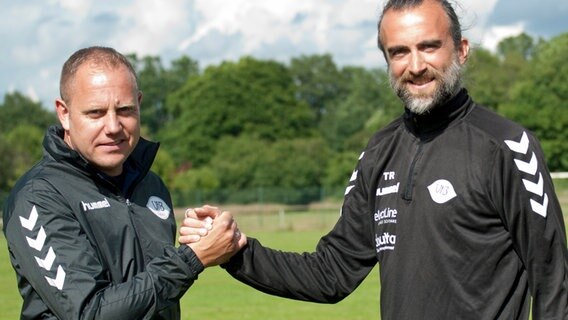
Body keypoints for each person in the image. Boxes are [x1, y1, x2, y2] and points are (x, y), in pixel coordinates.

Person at [180, 0, 568, 319]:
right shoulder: (379, 151)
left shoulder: (506, 146)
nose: (415, 66)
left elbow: (554, 284)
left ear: (461, 50)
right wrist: (236, 251)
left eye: (429, 46)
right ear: (386, 60)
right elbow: (331, 273)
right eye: (399, 52)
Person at [2, 46, 245, 319]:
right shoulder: (39, 196)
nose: (114, 126)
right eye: (95, 113)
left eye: (125, 110)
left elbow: (156, 294)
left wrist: (202, 239)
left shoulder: (150, 186)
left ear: (139, 104)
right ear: (64, 113)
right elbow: (89, 313)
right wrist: (191, 258)